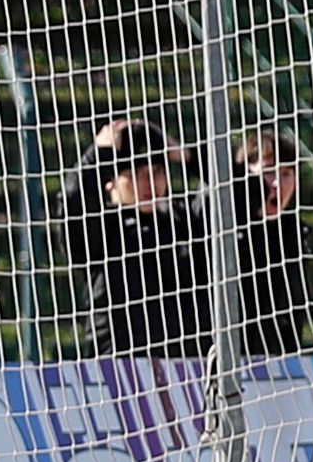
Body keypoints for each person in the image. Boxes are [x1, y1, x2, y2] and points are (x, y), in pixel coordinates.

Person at [61, 116, 210, 358]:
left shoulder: (184, 220)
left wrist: (186, 154)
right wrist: (96, 156)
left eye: (157, 170)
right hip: (120, 373)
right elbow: (73, 205)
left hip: (186, 374)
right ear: (110, 183)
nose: (149, 181)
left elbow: (243, 193)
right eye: (136, 172)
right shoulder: (101, 229)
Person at [232, 128, 313, 359]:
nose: (278, 183)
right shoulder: (224, 232)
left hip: (280, 367)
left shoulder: (296, 234)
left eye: (287, 173)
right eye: (269, 172)